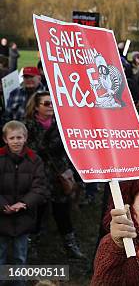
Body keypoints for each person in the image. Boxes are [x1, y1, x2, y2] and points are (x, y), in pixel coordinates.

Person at [23, 92, 84, 259]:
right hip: (37, 176)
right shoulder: (28, 125)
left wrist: (72, 170)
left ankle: (71, 246)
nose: (51, 106)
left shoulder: (63, 123)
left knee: (62, 212)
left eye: (52, 103)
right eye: (46, 103)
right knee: (36, 212)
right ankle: (31, 245)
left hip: (59, 175)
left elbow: (72, 149)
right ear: (36, 107)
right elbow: (29, 150)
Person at [0, 121, 48, 283]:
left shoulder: (35, 160)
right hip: (1, 217)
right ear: (5, 139)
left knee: (20, 258)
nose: (16, 141)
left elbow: (40, 187)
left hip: (24, 218)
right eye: (12, 138)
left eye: (19, 137)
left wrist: (24, 203)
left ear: (25, 138)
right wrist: (2, 205)